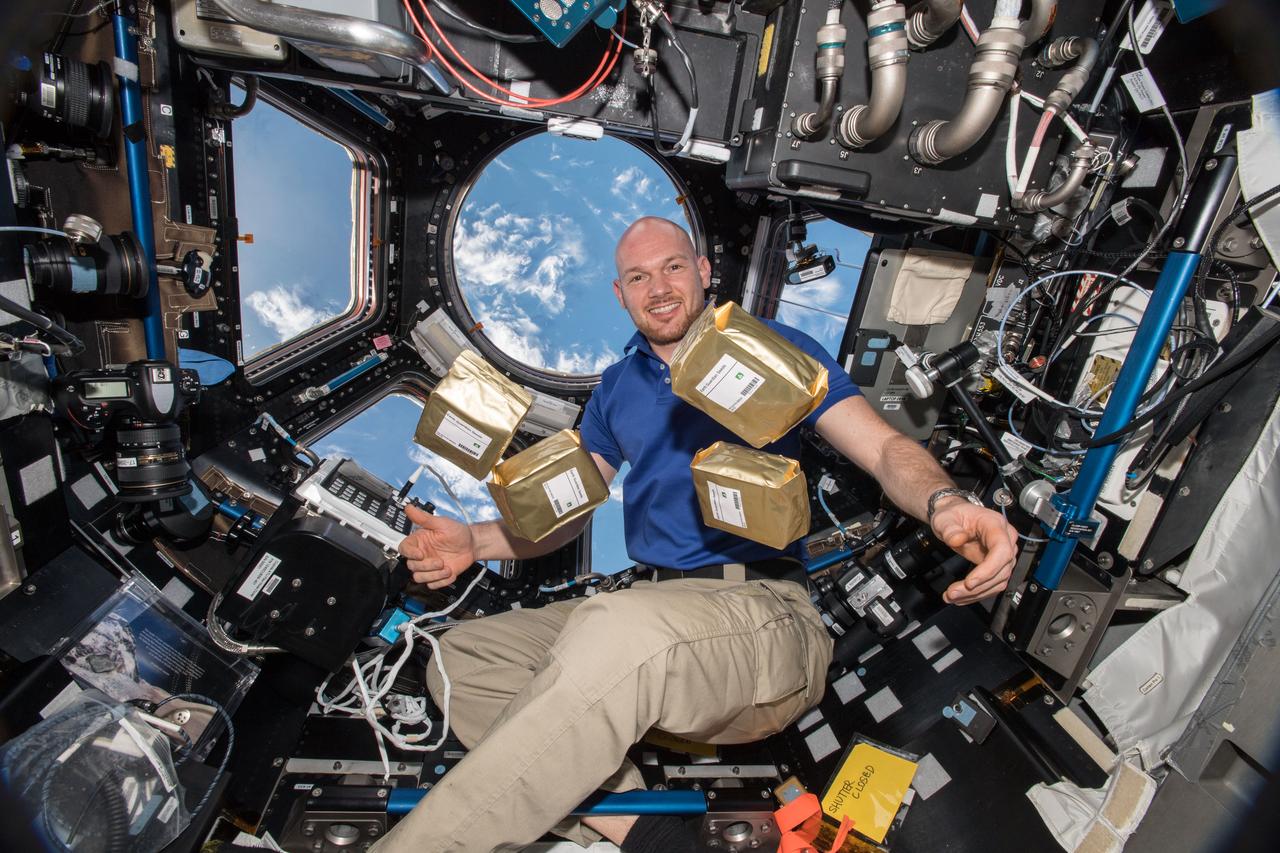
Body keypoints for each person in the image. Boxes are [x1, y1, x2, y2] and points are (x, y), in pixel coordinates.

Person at [374, 217, 1018, 853]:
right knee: (461, 661)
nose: (658, 288)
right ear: (619, 294)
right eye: (638, 276)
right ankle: (643, 833)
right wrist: (475, 542)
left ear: (705, 273)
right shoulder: (614, 391)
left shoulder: (770, 345)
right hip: (653, 609)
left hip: (762, 616)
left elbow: (879, 449)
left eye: (673, 267)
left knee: (616, 629)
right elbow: (564, 513)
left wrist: (943, 502)